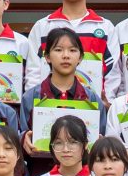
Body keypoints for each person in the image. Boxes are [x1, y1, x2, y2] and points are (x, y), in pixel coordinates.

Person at [28, 0, 119, 97]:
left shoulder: (105, 27)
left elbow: (113, 71)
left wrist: (106, 101)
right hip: (48, 106)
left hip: (92, 106)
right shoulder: (42, 26)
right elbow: (33, 70)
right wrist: (35, 100)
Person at [25, 25, 104, 165]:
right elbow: (20, 131)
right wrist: (23, 138)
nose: (66, 55)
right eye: (58, 50)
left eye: (72, 50)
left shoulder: (91, 99)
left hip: (83, 175)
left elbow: (102, 136)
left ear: (80, 57)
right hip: (40, 172)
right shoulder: (30, 97)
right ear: (47, 57)